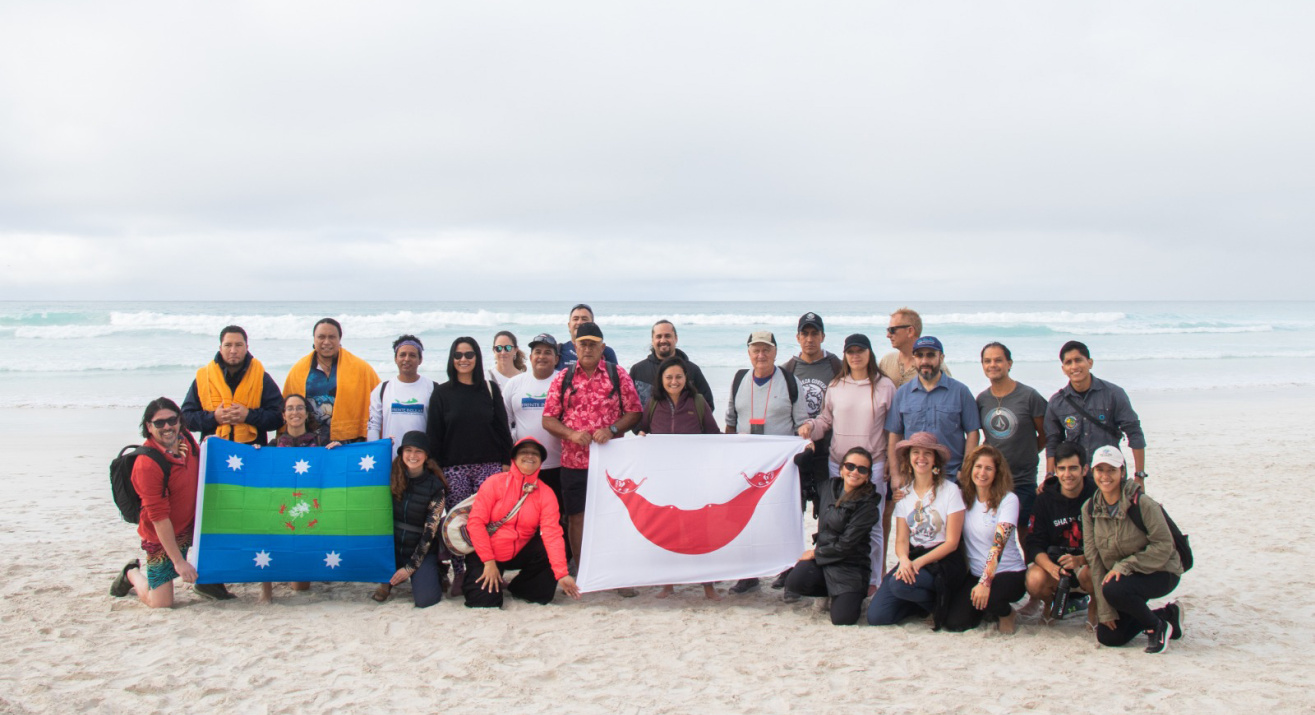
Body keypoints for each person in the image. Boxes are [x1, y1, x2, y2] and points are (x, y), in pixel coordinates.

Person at [542, 322, 642, 588]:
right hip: (573, 462)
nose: (587, 348)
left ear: (602, 347)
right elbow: (548, 419)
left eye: (592, 344)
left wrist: (612, 429)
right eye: (582, 344)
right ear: (575, 347)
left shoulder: (617, 374)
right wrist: (572, 434)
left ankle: (619, 577)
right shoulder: (563, 378)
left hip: (612, 463)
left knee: (615, 517)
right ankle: (585, 574)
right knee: (576, 517)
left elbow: (635, 412)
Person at [110, 398, 233, 607]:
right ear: (149, 427)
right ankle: (131, 574)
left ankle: (208, 583)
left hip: (193, 523)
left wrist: (213, 444)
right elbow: (159, 518)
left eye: (172, 420)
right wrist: (179, 562)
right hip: (163, 535)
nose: (167, 427)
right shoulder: (147, 464)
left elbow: (202, 459)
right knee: (161, 603)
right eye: (159, 423)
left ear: (180, 421)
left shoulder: (185, 438)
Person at [797, 333, 895, 594]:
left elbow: (894, 428)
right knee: (833, 523)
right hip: (838, 465)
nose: (855, 356)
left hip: (872, 466)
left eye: (860, 351)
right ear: (845, 355)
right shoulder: (836, 385)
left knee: (873, 526)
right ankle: (833, 576)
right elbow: (825, 421)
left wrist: (891, 460)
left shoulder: (885, 386)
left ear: (869, 353)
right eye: (850, 351)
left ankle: (874, 581)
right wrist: (810, 426)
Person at [427, 336, 515, 594]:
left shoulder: (490, 389)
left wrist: (506, 463)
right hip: (454, 469)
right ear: (452, 359)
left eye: (469, 354)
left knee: (491, 522)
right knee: (458, 523)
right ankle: (460, 573)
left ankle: (491, 571)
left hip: (489, 466)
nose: (463, 359)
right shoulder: (442, 393)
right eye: (458, 355)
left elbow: (502, 429)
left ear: (477, 357)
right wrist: (437, 470)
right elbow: (434, 434)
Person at [724, 330, 809, 594]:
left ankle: (787, 571)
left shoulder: (790, 382)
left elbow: (802, 423)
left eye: (766, 350)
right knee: (745, 517)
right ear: (749, 352)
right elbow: (730, 421)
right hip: (747, 465)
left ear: (775, 352)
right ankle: (749, 574)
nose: (761, 355)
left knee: (782, 517)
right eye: (756, 350)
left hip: (781, 466)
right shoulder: (739, 379)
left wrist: (804, 445)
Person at [636, 356, 722, 601]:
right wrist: (641, 436)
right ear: (661, 380)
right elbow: (643, 429)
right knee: (667, 528)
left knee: (700, 529)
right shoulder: (653, 402)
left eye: (678, 377)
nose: (674, 381)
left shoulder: (698, 402)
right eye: (669, 377)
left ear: (686, 379)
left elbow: (714, 435)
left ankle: (708, 585)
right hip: (663, 478)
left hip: (694, 478)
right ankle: (668, 583)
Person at [1083, 446, 1183, 653]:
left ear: (1122, 472)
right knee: (1109, 636)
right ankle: (1167, 614)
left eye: (1111, 470)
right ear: (1092, 472)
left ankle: (1157, 626)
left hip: (1161, 571)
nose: (1105, 476)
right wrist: (1105, 610)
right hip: (1123, 581)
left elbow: (1164, 545)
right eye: (1100, 470)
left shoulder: (1142, 503)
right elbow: (1094, 559)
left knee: (1114, 589)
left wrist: (1125, 566)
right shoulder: (1089, 509)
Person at [463, 438, 582, 608]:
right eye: (524, 452)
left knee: (540, 593)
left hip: (520, 549)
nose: (530, 456)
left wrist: (561, 574)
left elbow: (552, 534)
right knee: (484, 602)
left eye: (535, 454)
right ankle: (481, 575)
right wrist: (488, 562)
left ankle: (520, 587)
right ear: (514, 458)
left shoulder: (546, 493)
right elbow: (475, 523)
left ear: (541, 461)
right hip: (487, 551)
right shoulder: (495, 483)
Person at [867, 432, 966, 628]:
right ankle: (921, 605)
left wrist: (918, 563)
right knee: (877, 616)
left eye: (927, 453)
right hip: (914, 555)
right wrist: (904, 560)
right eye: (916, 452)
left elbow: (952, 542)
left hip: (942, 559)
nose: (921, 458)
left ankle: (936, 603)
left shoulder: (950, 491)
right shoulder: (904, 494)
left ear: (935, 459)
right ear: (909, 458)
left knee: (899, 584)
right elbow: (902, 539)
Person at [783, 447, 882, 625]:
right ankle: (827, 593)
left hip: (851, 567)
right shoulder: (828, 487)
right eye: (850, 466)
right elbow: (806, 489)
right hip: (825, 562)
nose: (854, 472)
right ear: (842, 469)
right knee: (795, 581)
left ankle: (852, 597)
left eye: (862, 469)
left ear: (867, 476)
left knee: (843, 619)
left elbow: (846, 545)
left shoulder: (868, 506)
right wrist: (805, 464)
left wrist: (815, 553)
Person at [944, 446, 1027, 633]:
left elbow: (999, 544)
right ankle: (986, 611)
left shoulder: (1008, 500)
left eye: (988, 468)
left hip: (1008, 572)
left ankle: (1007, 613)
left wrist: (985, 583)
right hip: (976, 573)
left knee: (993, 599)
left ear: (997, 473)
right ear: (970, 469)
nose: (982, 473)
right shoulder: (963, 497)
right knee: (955, 623)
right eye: (978, 467)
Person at [1045, 340, 1148, 486]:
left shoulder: (1113, 394)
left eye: (1078, 360)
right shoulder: (1057, 402)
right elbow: (1053, 442)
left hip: (1109, 475)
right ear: (1063, 369)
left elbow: (1134, 432)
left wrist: (1139, 475)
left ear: (1090, 363)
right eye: (1068, 362)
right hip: (1077, 480)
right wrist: (1050, 475)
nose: (1074, 366)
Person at [781, 312, 844, 545]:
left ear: (823, 336)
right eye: (805, 334)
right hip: (798, 451)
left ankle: (823, 555)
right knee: (793, 507)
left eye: (814, 333)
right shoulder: (787, 369)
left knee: (827, 508)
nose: (809, 339)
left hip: (826, 450)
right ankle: (791, 556)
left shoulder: (836, 366)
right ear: (797, 337)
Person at [372, 431, 448, 608]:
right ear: (402, 453)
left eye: (418, 451)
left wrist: (410, 567)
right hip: (391, 547)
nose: (413, 455)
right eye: (408, 450)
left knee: (426, 599)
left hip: (420, 547)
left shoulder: (436, 487)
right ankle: (387, 581)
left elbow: (430, 532)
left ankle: (436, 571)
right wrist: (340, 449)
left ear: (426, 455)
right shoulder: (389, 476)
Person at [975, 341, 1047, 529]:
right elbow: (983, 436)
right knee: (994, 531)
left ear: (1009, 363)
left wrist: (1027, 452)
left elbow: (1045, 434)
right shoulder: (982, 400)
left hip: (1022, 479)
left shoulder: (1029, 396)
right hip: (993, 479)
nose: (992, 365)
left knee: (1024, 530)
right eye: (987, 361)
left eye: (998, 360)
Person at [1023, 442, 1097, 623]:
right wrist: (1051, 567)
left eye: (1073, 468)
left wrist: (1081, 560)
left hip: (1086, 563)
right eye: (1062, 469)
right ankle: (1050, 603)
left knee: (1095, 573)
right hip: (1057, 565)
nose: (1067, 474)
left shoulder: (1097, 495)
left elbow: (1107, 543)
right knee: (1034, 579)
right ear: (1055, 470)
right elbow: (1033, 543)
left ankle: (1094, 606)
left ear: (1084, 469)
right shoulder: (1045, 499)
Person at [181, 325, 284, 446]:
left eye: (238, 345)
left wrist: (249, 416)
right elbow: (185, 418)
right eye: (228, 345)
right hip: (214, 449)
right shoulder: (204, 377)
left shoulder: (261, 377)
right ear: (220, 348)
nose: (233, 350)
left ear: (246, 347)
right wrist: (214, 418)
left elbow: (279, 417)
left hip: (252, 449)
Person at [282, 318, 381, 444]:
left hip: (349, 441)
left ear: (339, 339)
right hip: (310, 443)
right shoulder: (298, 370)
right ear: (314, 339)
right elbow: (286, 409)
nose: (326, 342)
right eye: (321, 337)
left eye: (332, 337)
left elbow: (379, 403)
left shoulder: (361, 369)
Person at [503, 333, 565, 512]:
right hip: (524, 466)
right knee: (525, 516)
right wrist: (507, 459)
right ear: (530, 357)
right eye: (537, 352)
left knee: (557, 517)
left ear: (556, 359)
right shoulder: (514, 384)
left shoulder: (565, 382)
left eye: (548, 352)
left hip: (559, 465)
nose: (542, 356)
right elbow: (504, 425)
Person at [368, 335, 435, 459]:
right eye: (402, 355)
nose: (407, 359)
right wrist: (375, 454)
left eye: (412, 355)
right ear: (395, 359)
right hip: (390, 460)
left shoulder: (433, 388)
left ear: (420, 360)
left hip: (420, 461)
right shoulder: (382, 389)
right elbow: (374, 426)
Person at [628, 319, 715, 409]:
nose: (663, 340)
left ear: (676, 339)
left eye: (667, 336)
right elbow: (629, 406)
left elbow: (707, 405)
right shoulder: (638, 370)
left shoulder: (692, 370)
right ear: (652, 340)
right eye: (658, 336)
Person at [879, 307, 951, 388]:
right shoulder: (887, 361)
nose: (888, 335)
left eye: (892, 330)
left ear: (910, 331)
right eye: (888, 330)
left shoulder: (934, 367)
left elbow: (950, 392)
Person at [555, 303, 619, 370]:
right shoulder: (559, 351)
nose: (579, 322)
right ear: (569, 325)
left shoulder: (606, 352)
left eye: (584, 319)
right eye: (575, 319)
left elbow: (617, 374)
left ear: (592, 324)